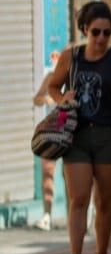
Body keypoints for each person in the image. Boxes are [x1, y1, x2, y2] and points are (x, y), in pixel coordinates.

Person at [47, 1, 111, 254]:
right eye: (96, 32)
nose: (101, 38)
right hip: (76, 134)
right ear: (85, 29)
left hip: (108, 135)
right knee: (79, 197)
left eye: (106, 33)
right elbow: (53, 84)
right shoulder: (71, 56)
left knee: (104, 199)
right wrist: (62, 98)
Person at [31, 71, 57, 231]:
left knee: (70, 177)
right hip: (52, 132)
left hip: (73, 133)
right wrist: (45, 99)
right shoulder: (51, 77)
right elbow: (36, 99)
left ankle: (74, 217)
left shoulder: (79, 79)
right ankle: (47, 216)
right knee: (47, 172)